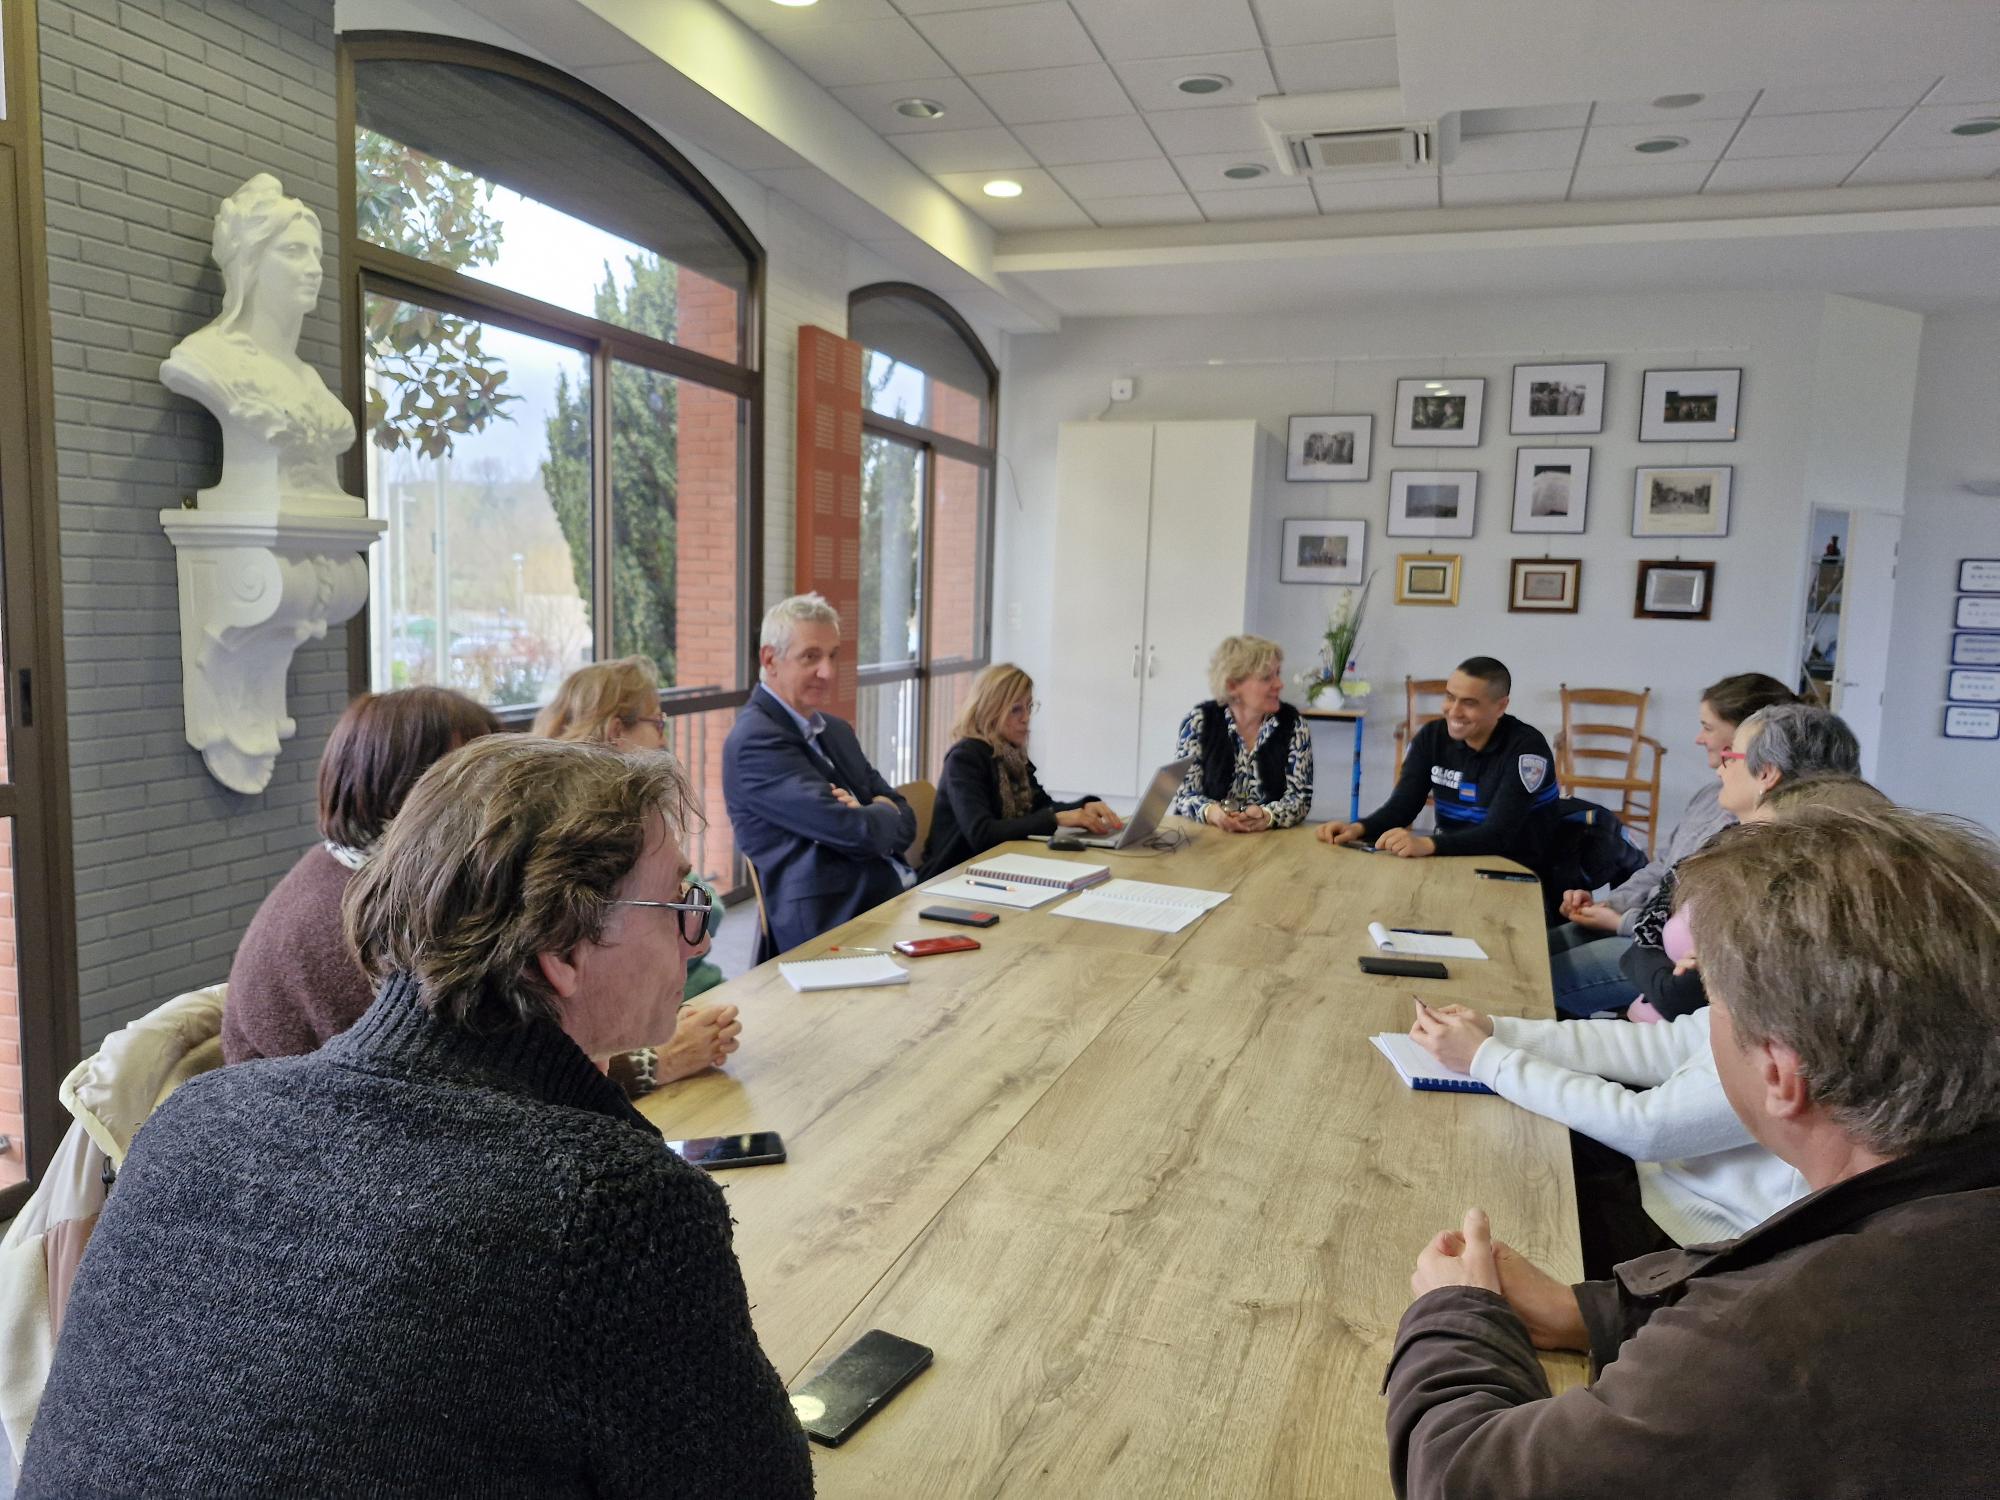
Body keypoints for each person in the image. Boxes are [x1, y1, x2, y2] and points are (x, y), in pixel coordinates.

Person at [21, 738, 815, 1498]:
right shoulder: (610, 1208)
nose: (700, 932)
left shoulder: (192, 1120)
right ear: (563, 949)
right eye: (677, 900)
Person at [1384, 802, 2000, 1499]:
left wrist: (1458, 1315)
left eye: (1718, 1006)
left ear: (1780, 1075)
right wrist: (1594, 1314)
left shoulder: (1770, 1339)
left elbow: (1465, 1478)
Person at [1410, 774, 1889, 1277]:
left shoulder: (1813, 1021)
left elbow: (1647, 1127)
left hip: (1686, 1241)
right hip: (1658, 1192)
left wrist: (1487, 1058)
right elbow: (1658, 1045)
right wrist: (1499, 1031)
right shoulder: (1777, 976)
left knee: (1491, 1189)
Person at [223, 686, 501, 1064]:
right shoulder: (358, 916)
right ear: (393, 782)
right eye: (467, 774)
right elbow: (426, 1067)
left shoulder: (370, 873)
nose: (495, 794)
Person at [1546, 673, 1797, 1016]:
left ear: (1745, 736)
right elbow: (1662, 866)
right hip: (1640, 928)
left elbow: (1697, 933)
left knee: (1542, 981)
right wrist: (1609, 906)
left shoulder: (1756, 826)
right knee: (1534, 951)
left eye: (1708, 727)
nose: (1698, 738)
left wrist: (1621, 922)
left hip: (1664, 955)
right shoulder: (1712, 795)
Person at [1604, 702, 1861, 1023]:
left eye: (1730, 757)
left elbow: (1678, 995)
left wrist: (1650, 961)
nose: (1719, 768)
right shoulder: (1727, 839)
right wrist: (1655, 964)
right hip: (1651, 1027)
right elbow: (1649, 926)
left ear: (1766, 774)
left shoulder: (1794, 874)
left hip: (1686, 1051)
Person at [724, 592, 916, 961]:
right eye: (811, 656)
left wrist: (872, 812)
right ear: (770, 659)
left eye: (833, 656)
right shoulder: (755, 742)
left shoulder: (836, 730)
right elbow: (856, 831)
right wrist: (878, 810)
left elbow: (906, 813)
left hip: (892, 900)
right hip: (831, 927)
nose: (827, 671)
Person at [534, 656, 734, 1004]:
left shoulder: (550, 801)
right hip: (664, 1008)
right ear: (615, 731)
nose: (663, 738)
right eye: (657, 722)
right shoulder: (607, 825)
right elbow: (705, 916)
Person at [158, 172, 359, 516]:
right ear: (249, 263)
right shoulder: (206, 358)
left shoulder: (309, 379)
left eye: (317, 255)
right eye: (294, 251)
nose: (314, 269)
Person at [1318, 656, 1556, 862]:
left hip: (1519, 866)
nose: (1454, 711)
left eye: (1469, 703)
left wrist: (1427, 844)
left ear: (1500, 706)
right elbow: (1402, 807)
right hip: (1452, 857)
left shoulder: (1527, 749)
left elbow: (1498, 835)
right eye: (1450, 697)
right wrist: (1357, 829)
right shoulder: (1432, 736)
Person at [917, 662, 1122, 879]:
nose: (1026, 718)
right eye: (1016, 709)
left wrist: (1084, 806)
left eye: (1029, 707)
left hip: (995, 867)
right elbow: (982, 833)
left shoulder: (1010, 754)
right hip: (952, 876)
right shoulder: (964, 759)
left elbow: (1041, 807)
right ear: (990, 710)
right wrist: (1056, 819)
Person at [1166, 634, 1313, 833]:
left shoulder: (1293, 725)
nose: (1279, 684)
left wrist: (1267, 816)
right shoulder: (1199, 722)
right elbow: (1183, 794)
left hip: (1270, 842)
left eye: (1278, 673)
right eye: (1267, 677)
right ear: (1232, 685)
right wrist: (1211, 812)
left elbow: (1300, 799)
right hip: (1206, 839)